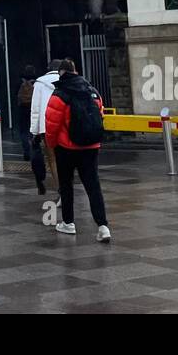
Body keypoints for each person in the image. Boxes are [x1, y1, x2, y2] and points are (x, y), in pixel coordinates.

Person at [44, 58, 110, 243]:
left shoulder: (60, 94)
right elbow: (100, 116)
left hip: (66, 148)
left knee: (66, 185)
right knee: (93, 186)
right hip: (91, 146)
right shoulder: (93, 92)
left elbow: (52, 124)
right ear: (76, 71)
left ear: (62, 73)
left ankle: (68, 222)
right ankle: (103, 226)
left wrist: (51, 144)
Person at [29, 59, 63, 196]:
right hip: (65, 125)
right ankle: (67, 186)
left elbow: (35, 109)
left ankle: (61, 189)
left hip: (46, 127)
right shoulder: (67, 80)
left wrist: (34, 132)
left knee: (53, 159)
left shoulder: (39, 83)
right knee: (67, 158)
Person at [15, 67, 37, 162]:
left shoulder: (20, 83)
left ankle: (26, 152)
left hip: (22, 109)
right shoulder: (36, 83)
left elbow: (15, 95)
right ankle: (35, 150)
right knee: (33, 131)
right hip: (32, 109)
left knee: (23, 132)